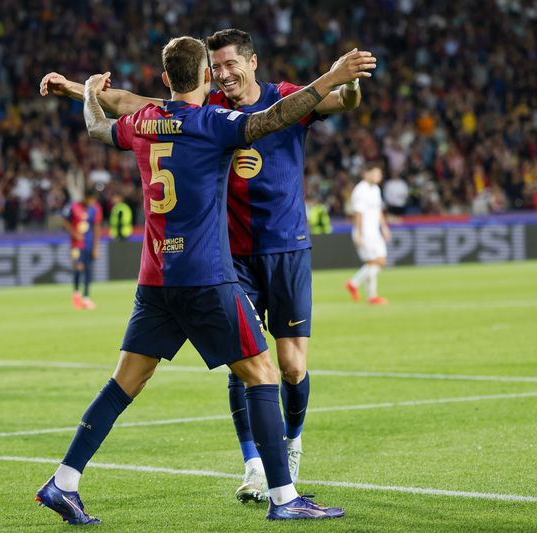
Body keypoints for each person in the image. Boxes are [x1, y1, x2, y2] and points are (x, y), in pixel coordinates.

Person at [36, 36, 373, 524]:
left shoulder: (144, 122)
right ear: (206, 76)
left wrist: (86, 90)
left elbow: (98, 125)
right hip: (206, 277)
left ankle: (63, 481)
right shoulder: (214, 123)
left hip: (154, 279)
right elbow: (272, 119)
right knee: (262, 374)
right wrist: (332, 75)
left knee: (126, 380)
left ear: (167, 79)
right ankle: (283, 496)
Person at [346, 163, 391, 305]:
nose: (379, 176)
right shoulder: (360, 190)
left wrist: (384, 228)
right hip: (365, 232)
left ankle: (357, 286)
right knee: (376, 262)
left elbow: (378, 210)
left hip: (375, 231)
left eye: (379, 174)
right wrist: (358, 234)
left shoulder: (376, 189)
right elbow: (358, 214)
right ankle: (369, 294)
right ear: (367, 174)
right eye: (376, 173)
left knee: (377, 263)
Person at [62, 187, 102, 310]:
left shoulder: (95, 208)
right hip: (76, 245)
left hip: (89, 245)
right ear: (85, 197)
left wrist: (96, 247)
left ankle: (86, 298)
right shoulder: (73, 207)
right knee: (78, 268)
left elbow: (96, 228)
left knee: (88, 270)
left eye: (93, 200)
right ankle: (76, 295)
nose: (91, 202)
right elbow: (64, 222)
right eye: (90, 199)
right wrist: (74, 233)